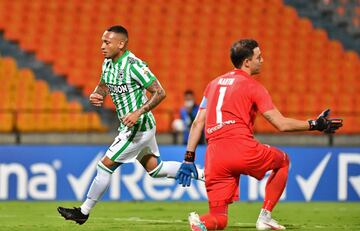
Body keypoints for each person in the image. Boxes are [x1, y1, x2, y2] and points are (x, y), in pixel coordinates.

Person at [175, 39, 343, 230]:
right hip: (240, 147)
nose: (262, 60)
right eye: (258, 57)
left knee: (219, 219)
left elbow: (197, 123)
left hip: (214, 155)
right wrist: (315, 124)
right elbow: (281, 124)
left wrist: (188, 159)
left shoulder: (212, 84)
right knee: (283, 161)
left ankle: (200, 224)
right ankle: (265, 217)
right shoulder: (253, 87)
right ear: (247, 62)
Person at [57, 25, 204, 225]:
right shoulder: (107, 63)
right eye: (102, 41)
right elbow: (103, 84)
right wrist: (98, 93)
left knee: (104, 166)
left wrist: (138, 112)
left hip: (138, 127)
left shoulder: (134, 65)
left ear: (121, 44)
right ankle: (205, 174)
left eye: (107, 42)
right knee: (155, 170)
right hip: (133, 126)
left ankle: (83, 212)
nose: (102, 46)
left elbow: (160, 92)